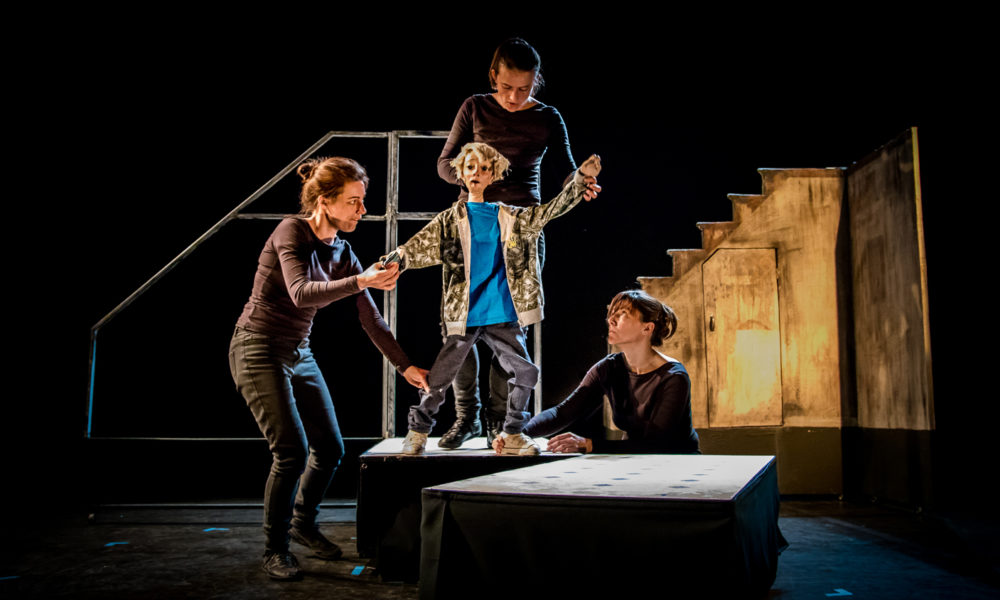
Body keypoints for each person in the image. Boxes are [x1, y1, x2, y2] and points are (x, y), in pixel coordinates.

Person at [228, 156, 429, 581]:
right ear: (324, 201)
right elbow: (302, 293)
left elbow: (370, 317)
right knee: (291, 452)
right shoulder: (291, 231)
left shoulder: (343, 251)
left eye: (363, 201)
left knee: (331, 448)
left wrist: (405, 366)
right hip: (257, 347)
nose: (363, 210)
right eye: (354, 201)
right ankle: (275, 548)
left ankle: (302, 523)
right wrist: (362, 280)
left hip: (298, 351)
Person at [435, 38, 601, 450]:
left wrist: (581, 182)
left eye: (524, 89)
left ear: (536, 82)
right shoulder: (474, 107)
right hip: (473, 228)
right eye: (507, 87)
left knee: (507, 329)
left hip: (521, 232)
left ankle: (499, 420)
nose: (513, 97)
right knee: (460, 324)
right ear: (494, 76)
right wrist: (473, 178)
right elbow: (444, 164)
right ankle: (466, 416)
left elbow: (565, 171)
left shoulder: (547, 117)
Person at [395, 143, 602, 456]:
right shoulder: (449, 221)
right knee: (440, 378)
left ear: (493, 175)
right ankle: (418, 431)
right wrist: (391, 261)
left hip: (502, 314)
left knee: (527, 372)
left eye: (483, 168)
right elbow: (414, 248)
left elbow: (550, 210)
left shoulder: (511, 218)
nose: (476, 173)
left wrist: (580, 180)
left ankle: (513, 432)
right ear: (461, 173)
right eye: (470, 167)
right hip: (464, 314)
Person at [494, 290, 700, 455]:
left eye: (622, 315)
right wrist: (515, 434)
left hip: (677, 463)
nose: (611, 320)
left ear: (647, 329)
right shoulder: (609, 367)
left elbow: (657, 444)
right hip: (635, 460)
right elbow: (562, 413)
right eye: (612, 314)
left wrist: (589, 444)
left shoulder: (674, 377)